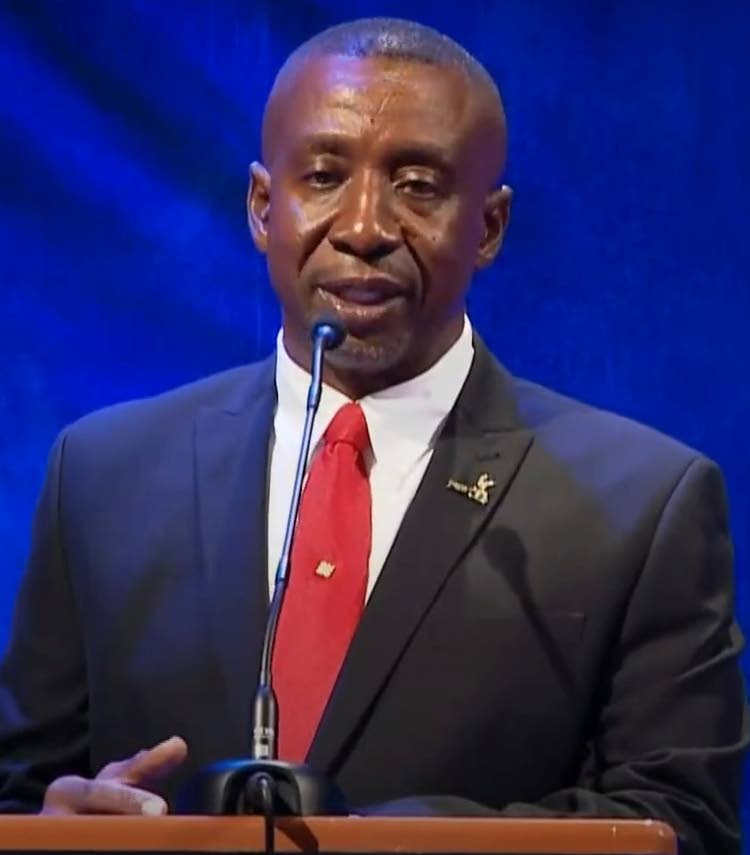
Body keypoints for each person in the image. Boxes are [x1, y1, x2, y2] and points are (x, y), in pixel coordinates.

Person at [0, 16, 746, 855]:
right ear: (262, 207)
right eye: (324, 176)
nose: (364, 226)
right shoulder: (102, 475)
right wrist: (50, 828)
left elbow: (683, 826)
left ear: (489, 227)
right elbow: (21, 794)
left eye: (418, 186)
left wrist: (378, 841)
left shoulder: (642, 506)